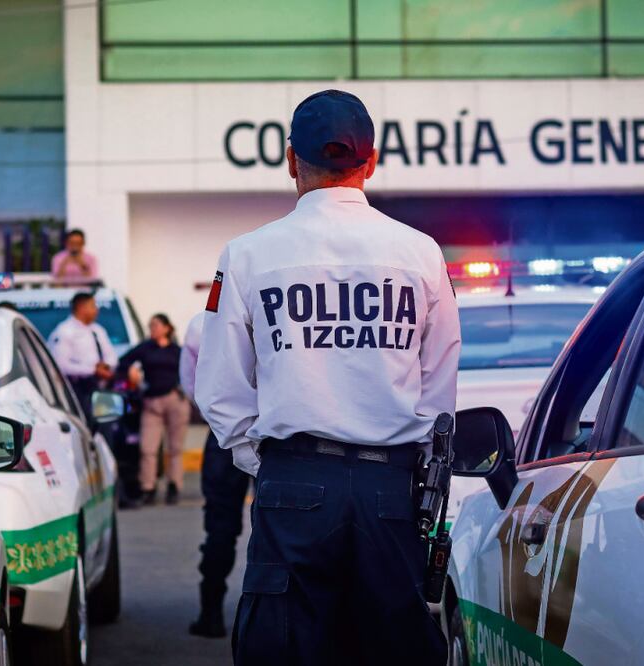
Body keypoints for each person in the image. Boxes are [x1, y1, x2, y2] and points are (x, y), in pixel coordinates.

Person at [196, 89, 460, 666]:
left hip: (293, 481)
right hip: (391, 490)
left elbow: (220, 390)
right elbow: (439, 386)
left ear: (292, 159)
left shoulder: (246, 254)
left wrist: (263, 461)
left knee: (283, 648)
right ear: (371, 161)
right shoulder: (420, 253)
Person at [181, 311, 252, 638]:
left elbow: (192, 387)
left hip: (224, 433)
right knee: (284, 524)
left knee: (220, 526)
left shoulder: (202, 325)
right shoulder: (281, 309)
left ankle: (211, 613)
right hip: (281, 434)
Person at [116, 313, 191, 506]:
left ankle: (174, 485)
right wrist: (133, 377)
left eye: (157, 325)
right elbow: (123, 362)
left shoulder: (177, 350)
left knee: (174, 448)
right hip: (152, 401)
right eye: (151, 326)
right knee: (148, 448)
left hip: (174, 399)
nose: (153, 329)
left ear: (167, 328)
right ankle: (148, 487)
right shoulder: (145, 348)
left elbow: (192, 369)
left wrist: (185, 389)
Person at [48, 292, 116, 413]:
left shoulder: (98, 330)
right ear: (81, 307)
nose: (96, 310)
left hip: (101, 387)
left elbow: (111, 355)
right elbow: (61, 365)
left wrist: (106, 365)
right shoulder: (65, 331)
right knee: (86, 425)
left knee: (106, 424)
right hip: (78, 389)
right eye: (93, 306)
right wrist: (93, 370)